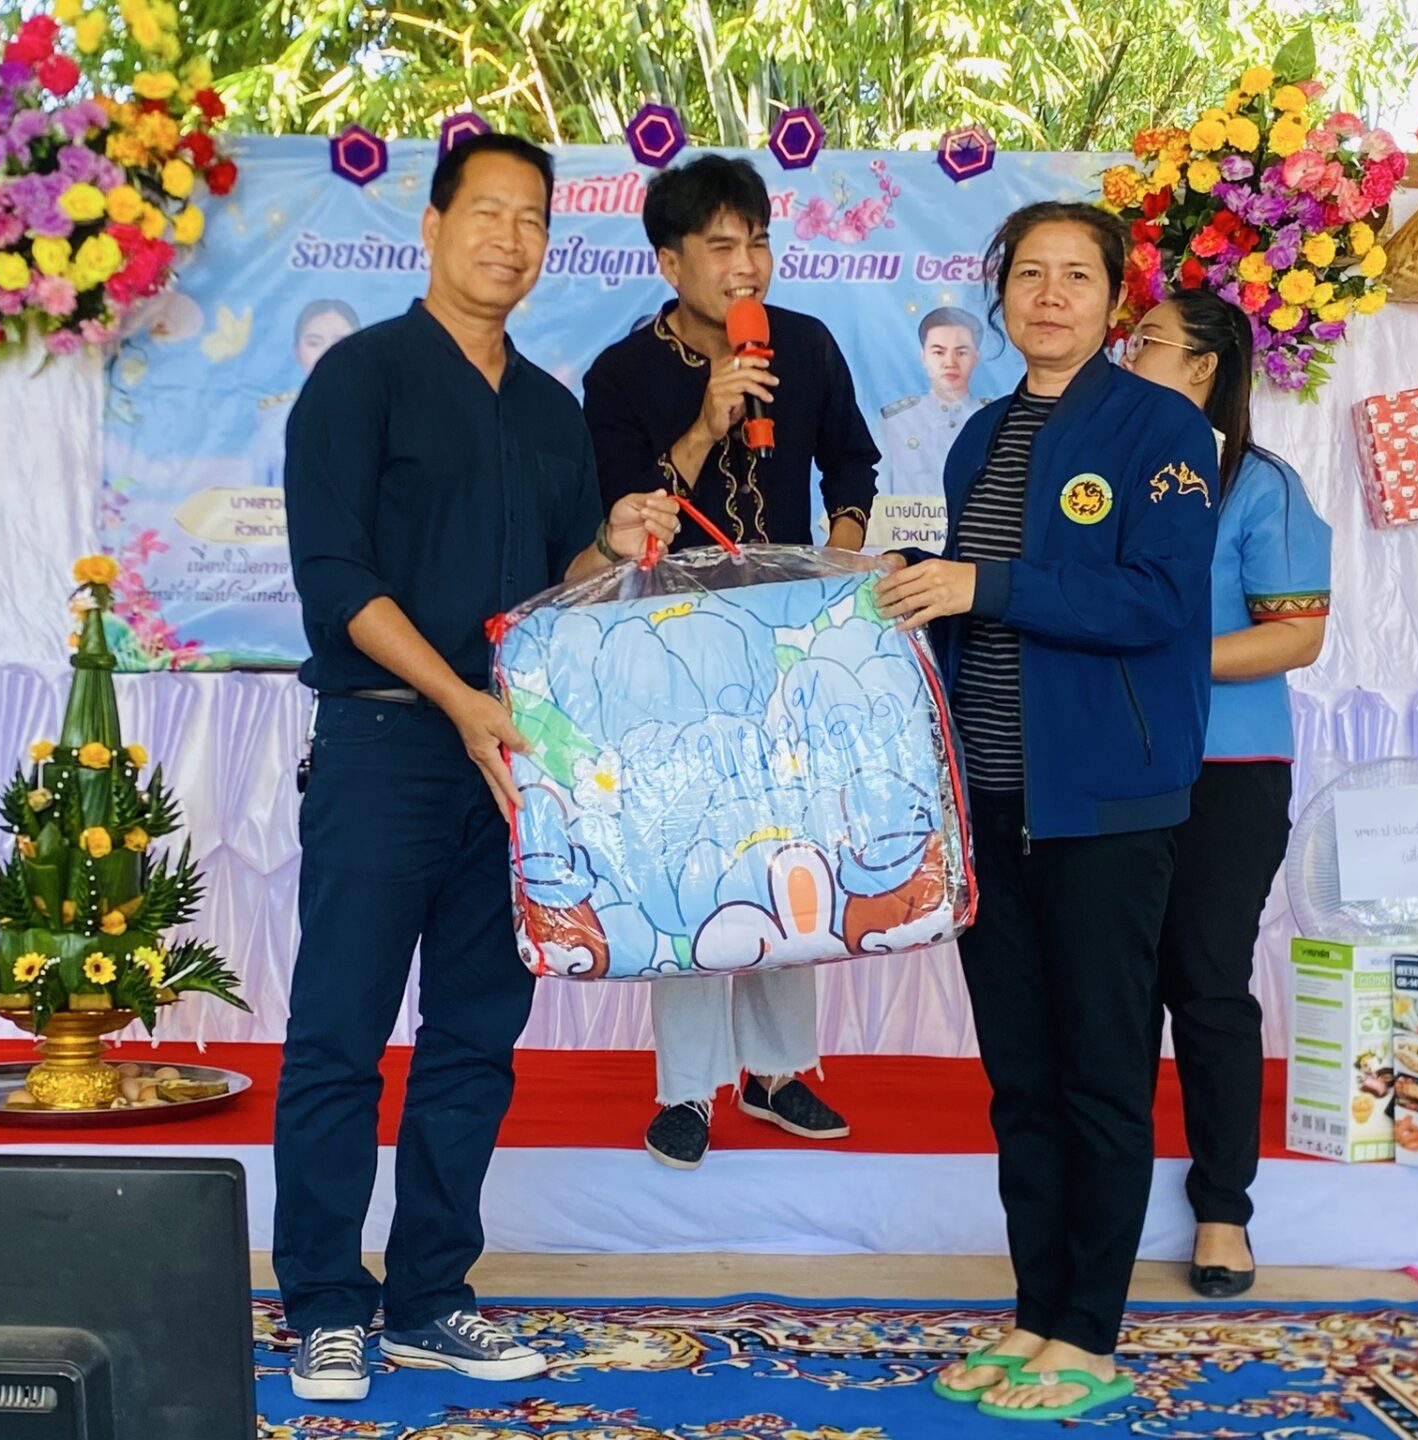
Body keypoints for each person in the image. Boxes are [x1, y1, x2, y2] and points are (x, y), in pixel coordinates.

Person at [276, 132, 680, 1404]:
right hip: (389, 743)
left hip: (510, 762)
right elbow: (335, 579)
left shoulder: (551, 410)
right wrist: (455, 700)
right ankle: (323, 1302)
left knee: (474, 1036)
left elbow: (559, 586)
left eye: (532, 220)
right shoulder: (360, 379)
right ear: (434, 226)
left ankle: (429, 1295)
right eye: (487, 212)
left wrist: (611, 543)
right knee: (339, 1033)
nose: (510, 239)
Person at [874, 202, 1221, 1421]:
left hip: (1107, 806)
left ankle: (1090, 1333)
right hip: (990, 803)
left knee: (1100, 1076)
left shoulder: (1160, 426)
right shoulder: (980, 434)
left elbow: (1157, 600)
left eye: (1078, 275)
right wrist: (912, 592)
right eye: (1031, 274)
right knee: (1020, 1077)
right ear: (1001, 293)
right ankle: (1034, 1315)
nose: (1052, 295)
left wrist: (985, 584)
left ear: (1114, 299)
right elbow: (976, 603)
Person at [579, 153, 880, 1170]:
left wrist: (839, 554)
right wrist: (708, 421)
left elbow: (852, 460)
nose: (746, 264)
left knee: (792, 847)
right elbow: (622, 513)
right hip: (667, 644)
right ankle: (686, 1090)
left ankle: (779, 1070)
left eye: (756, 241)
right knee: (693, 856)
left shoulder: (805, 343)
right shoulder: (621, 376)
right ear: (670, 263)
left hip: (788, 639)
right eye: (720, 246)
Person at [1121, 290, 1331, 1298]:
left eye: (1147, 343)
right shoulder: (1099, 473)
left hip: (1228, 773)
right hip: (1110, 766)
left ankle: (1222, 1211)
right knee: (1110, 990)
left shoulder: (1260, 485)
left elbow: (1295, 635)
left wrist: (1161, 660)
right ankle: (1103, 1202)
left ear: (1203, 368)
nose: (1128, 356)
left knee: (1205, 983)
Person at [878, 306, 989, 501]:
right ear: (923, 357)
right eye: (939, 352)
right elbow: (879, 497)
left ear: (976, 357)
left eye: (961, 353)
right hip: (908, 522)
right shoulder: (896, 422)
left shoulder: (994, 418)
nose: (950, 362)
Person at [253, 299, 362, 489]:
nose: (327, 352)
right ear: (297, 352)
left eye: (340, 342)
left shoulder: (381, 414)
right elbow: (256, 493)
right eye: (314, 343)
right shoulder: (273, 423)